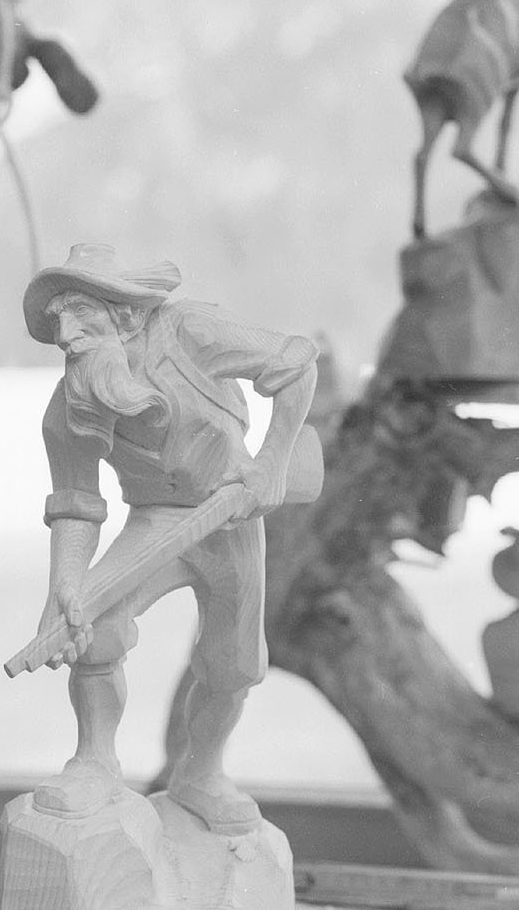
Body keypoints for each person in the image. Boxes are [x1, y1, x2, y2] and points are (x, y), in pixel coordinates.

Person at [20, 243, 318, 828]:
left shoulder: (191, 332)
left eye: (81, 314)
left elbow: (296, 366)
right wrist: (66, 585)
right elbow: (77, 504)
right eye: (57, 321)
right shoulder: (71, 405)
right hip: (153, 520)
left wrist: (272, 462)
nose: (66, 336)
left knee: (233, 664)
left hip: (229, 517)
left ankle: (201, 774)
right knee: (95, 622)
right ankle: (94, 762)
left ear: (127, 313)